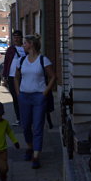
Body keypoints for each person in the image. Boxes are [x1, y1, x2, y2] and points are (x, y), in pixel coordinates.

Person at [15, 34, 56, 169]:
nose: (23, 45)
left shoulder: (44, 60)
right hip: (24, 97)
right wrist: (18, 93)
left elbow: (53, 77)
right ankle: (30, 147)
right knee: (26, 125)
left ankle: (36, 155)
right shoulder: (21, 60)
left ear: (31, 44)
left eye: (25, 43)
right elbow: (16, 77)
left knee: (38, 126)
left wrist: (44, 93)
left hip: (39, 97)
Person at [3, 30, 26, 124]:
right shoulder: (10, 49)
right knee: (15, 98)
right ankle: (19, 118)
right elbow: (6, 63)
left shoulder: (25, 48)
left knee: (23, 97)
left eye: (18, 37)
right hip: (12, 77)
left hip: (24, 77)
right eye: (14, 37)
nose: (16, 39)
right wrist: (5, 76)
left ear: (21, 38)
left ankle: (25, 116)